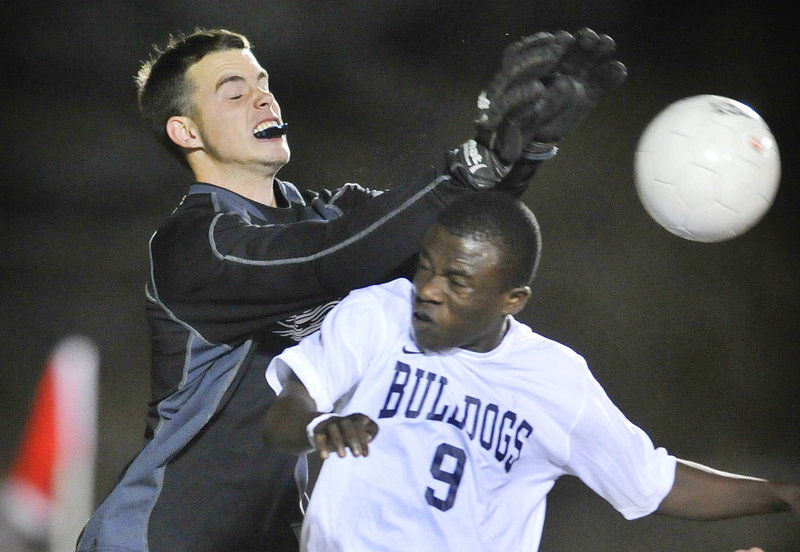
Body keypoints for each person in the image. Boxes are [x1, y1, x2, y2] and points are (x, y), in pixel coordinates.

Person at [75, 27, 627, 552]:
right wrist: (473, 164)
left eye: (264, 83)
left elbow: (455, 242)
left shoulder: (326, 216)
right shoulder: (195, 244)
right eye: (235, 92)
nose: (264, 99)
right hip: (157, 539)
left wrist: (521, 156)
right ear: (186, 132)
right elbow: (326, 262)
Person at [264, 192, 800, 551]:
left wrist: (781, 494)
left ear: (512, 300)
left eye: (458, 281)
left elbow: (654, 483)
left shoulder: (554, 379)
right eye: (426, 265)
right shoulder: (379, 313)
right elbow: (285, 413)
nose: (428, 289)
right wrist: (318, 426)